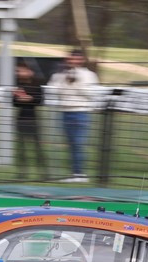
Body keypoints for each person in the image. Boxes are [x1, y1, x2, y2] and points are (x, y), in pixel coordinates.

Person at [48, 49, 99, 183]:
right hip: (65, 112)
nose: (73, 62)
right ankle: (75, 173)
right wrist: (64, 80)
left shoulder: (89, 75)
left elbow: (91, 94)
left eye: (76, 59)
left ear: (82, 60)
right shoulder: (60, 75)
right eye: (71, 59)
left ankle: (79, 174)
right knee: (71, 144)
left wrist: (76, 83)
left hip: (80, 112)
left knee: (78, 143)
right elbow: (52, 90)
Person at [13, 61, 47, 180]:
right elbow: (14, 102)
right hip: (21, 120)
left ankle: (43, 173)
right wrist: (23, 99)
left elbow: (40, 100)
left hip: (33, 120)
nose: (18, 73)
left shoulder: (37, 85)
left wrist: (28, 98)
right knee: (21, 149)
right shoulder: (18, 85)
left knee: (37, 148)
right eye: (17, 71)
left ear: (30, 72)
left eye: (21, 70)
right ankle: (22, 173)